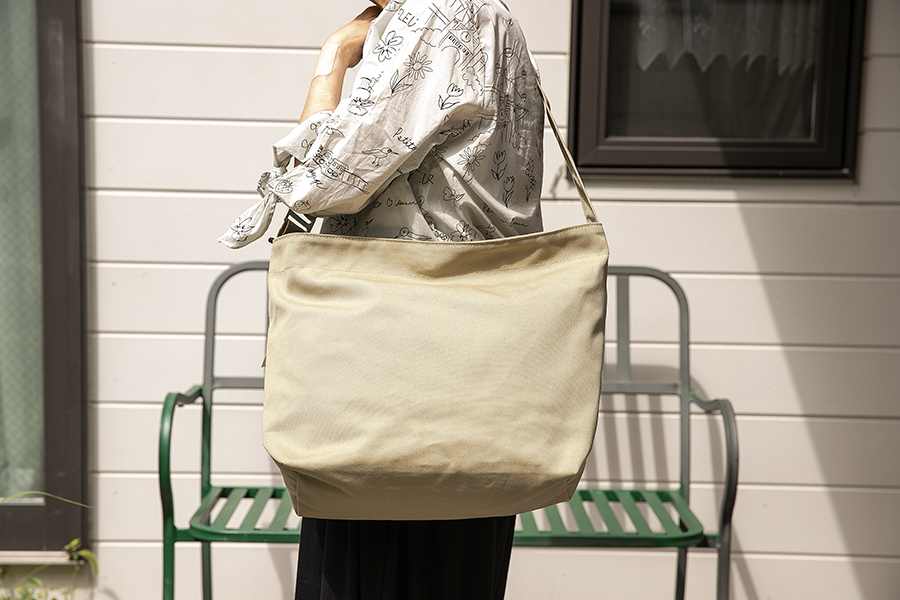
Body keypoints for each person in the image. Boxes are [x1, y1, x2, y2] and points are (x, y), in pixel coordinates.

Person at [219, 0, 544, 597]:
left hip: (391, 362)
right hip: (480, 372)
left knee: (365, 568)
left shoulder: (431, 13)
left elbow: (318, 178)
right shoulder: (499, 18)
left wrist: (334, 56)